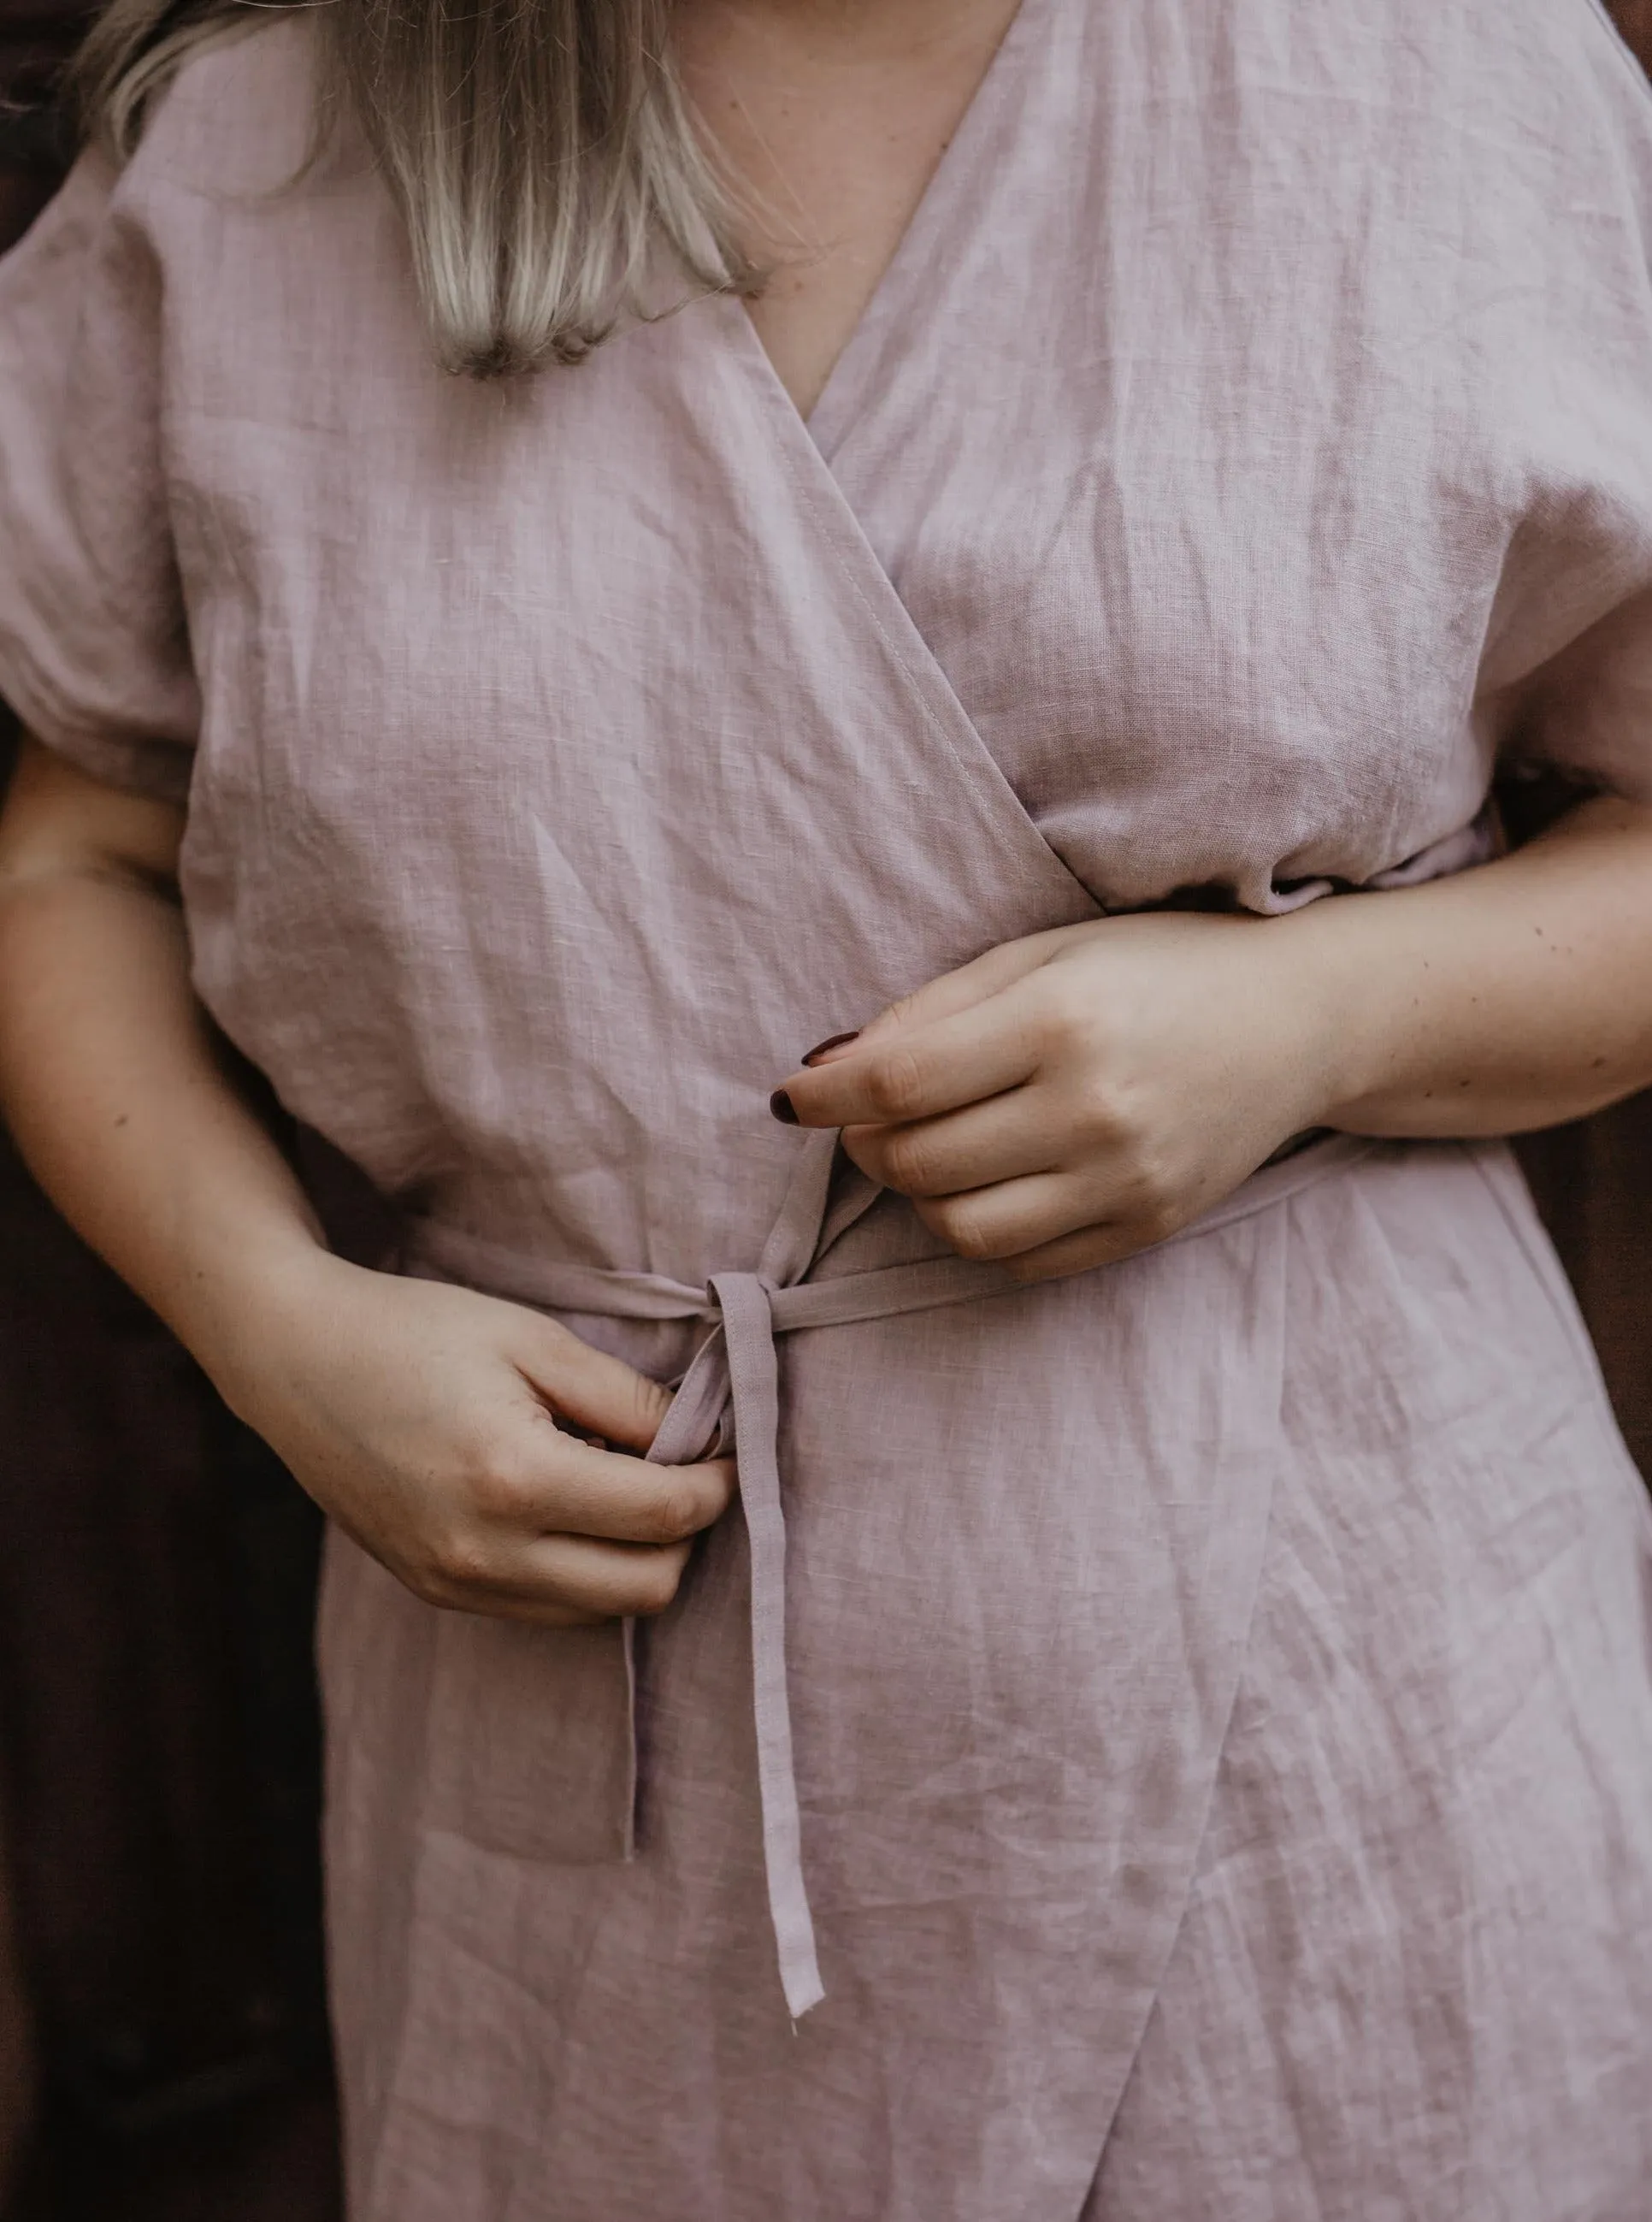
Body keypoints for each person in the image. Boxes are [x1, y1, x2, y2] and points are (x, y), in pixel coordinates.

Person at [3, 0, 1652, 2211]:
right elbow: (71, 857)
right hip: (583, 1806)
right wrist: (270, 1322)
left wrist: (1314, 1023)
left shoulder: (1425, 64)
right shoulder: (270, 143)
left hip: (1348, 1764)